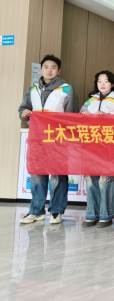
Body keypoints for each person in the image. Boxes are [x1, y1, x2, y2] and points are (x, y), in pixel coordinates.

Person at [18, 55, 79, 225]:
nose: (49, 70)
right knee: (37, 174)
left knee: (57, 175)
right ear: (41, 69)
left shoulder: (67, 90)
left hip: (59, 140)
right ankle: (36, 211)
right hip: (37, 139)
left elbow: (73, 117)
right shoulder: (32, 90)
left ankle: (56, 211)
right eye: (46, 67)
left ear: (59, 71)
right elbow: (23, 109)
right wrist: (24, 113)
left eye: (53, 67)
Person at [81, 71, 114, 228]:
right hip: (91, 146)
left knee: (104, 180)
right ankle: (91, 215)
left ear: (112, 84)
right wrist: (84, 114)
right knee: (90, 179)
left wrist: (106, 116)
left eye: (106, 81)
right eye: (99, 81)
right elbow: (78, 120)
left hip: (110, 148)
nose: (102, 84)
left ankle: (106, 216)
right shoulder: (90, 101)